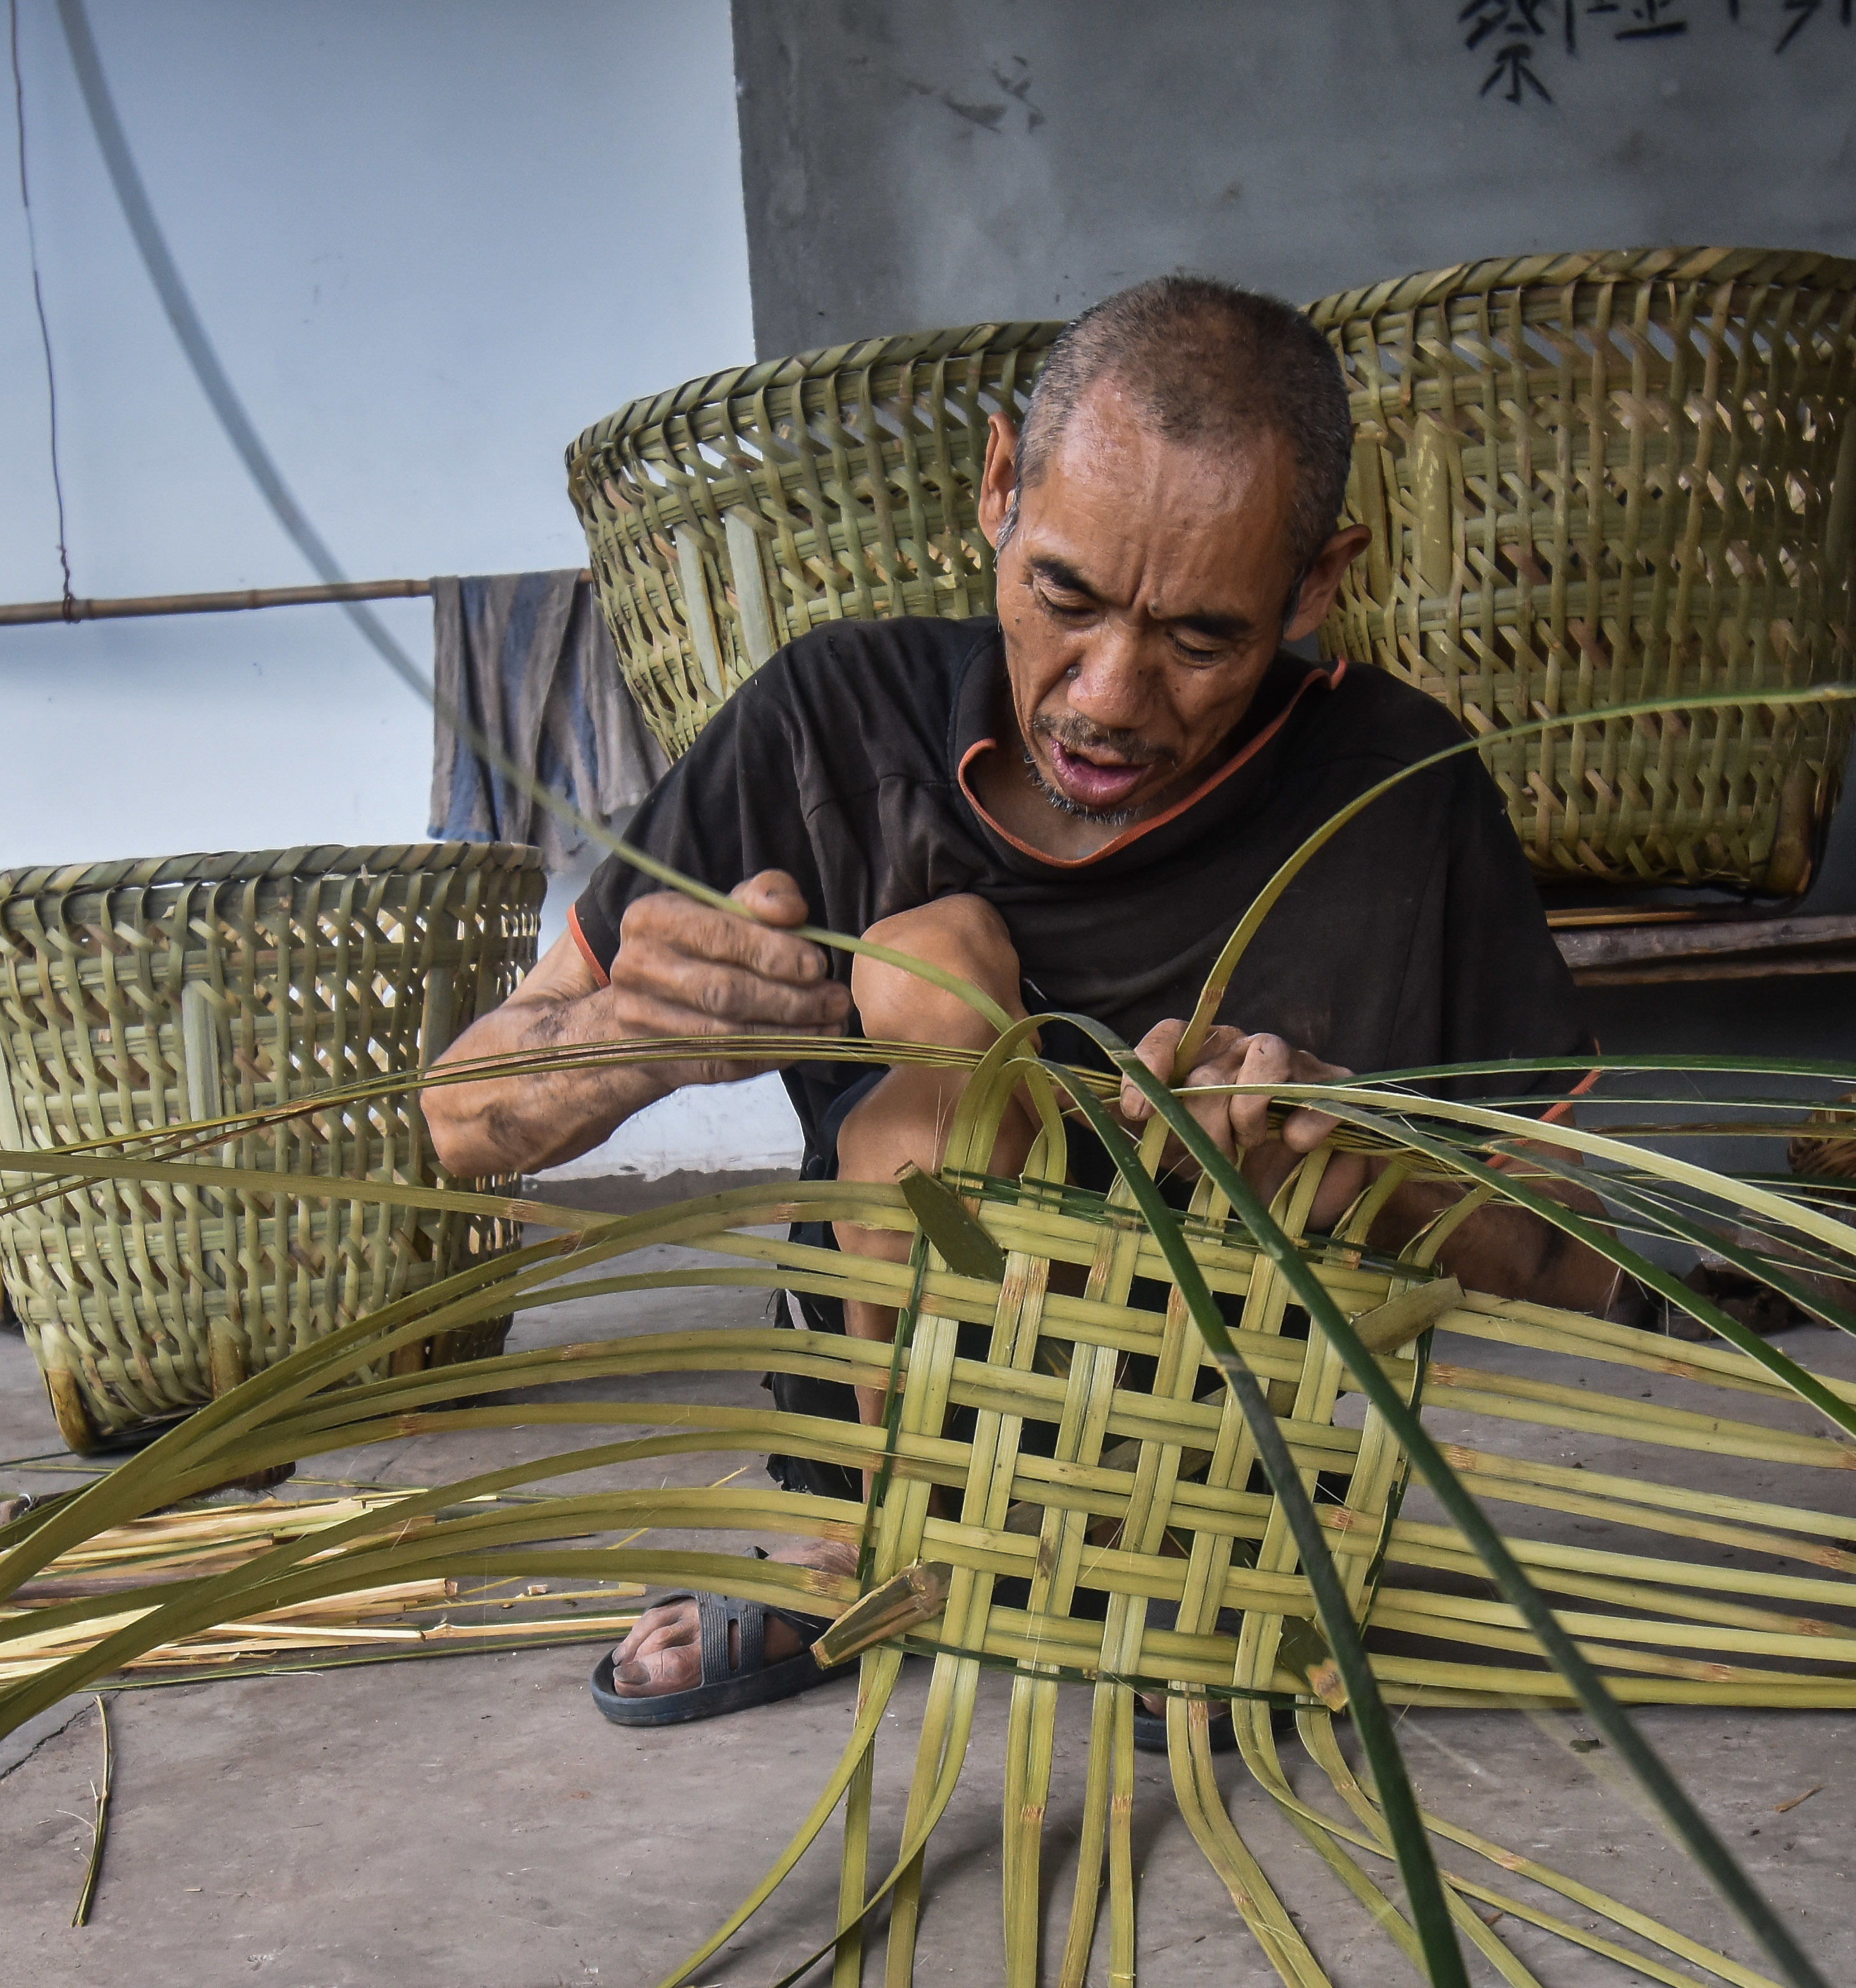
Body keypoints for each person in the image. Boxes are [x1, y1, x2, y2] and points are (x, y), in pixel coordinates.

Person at [422, 274, 1611, 1722]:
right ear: (999, 486)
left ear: (1312, 585)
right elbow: (461, 1120)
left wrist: (1352, 1166)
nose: (1109, 697)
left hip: (1213, 1452)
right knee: (937, 987)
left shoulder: (1396, 797)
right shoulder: (829, 726)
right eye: (1065, 595)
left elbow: (1586, 1269)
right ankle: (864, 1521)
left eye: (1200, 640)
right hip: (899, 1379)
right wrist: (630, 1045)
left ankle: (1120, 1556)